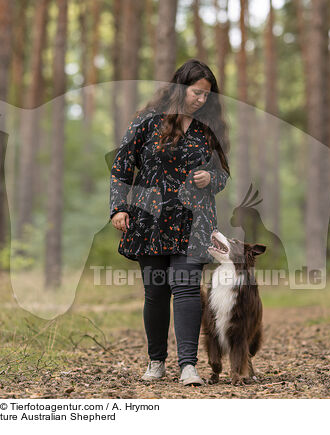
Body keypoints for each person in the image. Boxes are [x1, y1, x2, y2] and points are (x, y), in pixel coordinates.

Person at [109, 59, 230, 386]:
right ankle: (156, 361)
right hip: (150, 220)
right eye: (196, 92)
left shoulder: (208, 130)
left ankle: (188, 366)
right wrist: (119, 208)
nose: (201, 100)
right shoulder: (146, 122)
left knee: (188, 287)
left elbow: (222, 175)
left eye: (207, 95)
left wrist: (211, 178)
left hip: (194, 221)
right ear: (180, 87)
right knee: (156, 291)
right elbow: (122, 167)